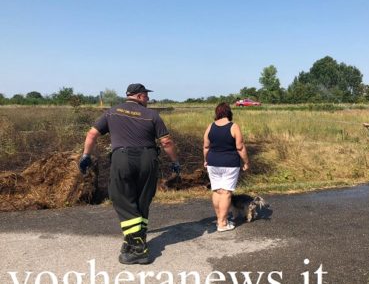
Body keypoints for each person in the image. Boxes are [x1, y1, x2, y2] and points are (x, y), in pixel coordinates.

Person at [79, 83, 179, 264]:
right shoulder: (152, 115)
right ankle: (134, 241)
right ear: (139, 96)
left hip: (122, 158)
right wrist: (175, 162)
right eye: (146, 96)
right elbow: (166, 142)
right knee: (142, 199)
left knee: (121, 197)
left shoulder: (112, 112)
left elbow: (92, 134)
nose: (148, 99)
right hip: (148, 159)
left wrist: (86, 155)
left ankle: (138, 246)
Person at [203, 102, 249, 232]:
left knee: (217, 191)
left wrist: (205, 160)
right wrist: (246, 162)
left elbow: (206, 146)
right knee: (226, 192)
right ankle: (222, 223)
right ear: (229, 113)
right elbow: (240, 147)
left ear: (217, 113)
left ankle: (220, 220)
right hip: (230, 164)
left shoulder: (210, 126)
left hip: (213, 162)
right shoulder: (233, 126)